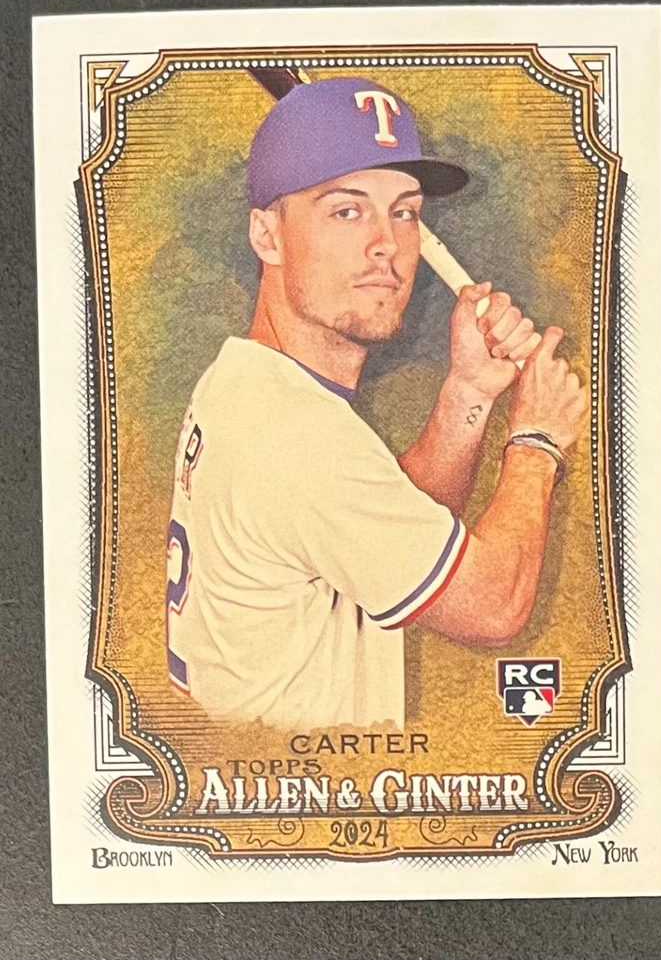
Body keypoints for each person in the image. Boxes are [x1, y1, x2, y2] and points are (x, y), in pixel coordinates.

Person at [165, 77, 586, 730]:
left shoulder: (246, 380)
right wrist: (536, 440)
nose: (386, 243)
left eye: (405, 212)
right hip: (302, 781)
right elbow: (491, 607)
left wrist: (468, 390)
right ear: (267, 235)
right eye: (346, 210)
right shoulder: (297, 437)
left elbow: (387, 526)